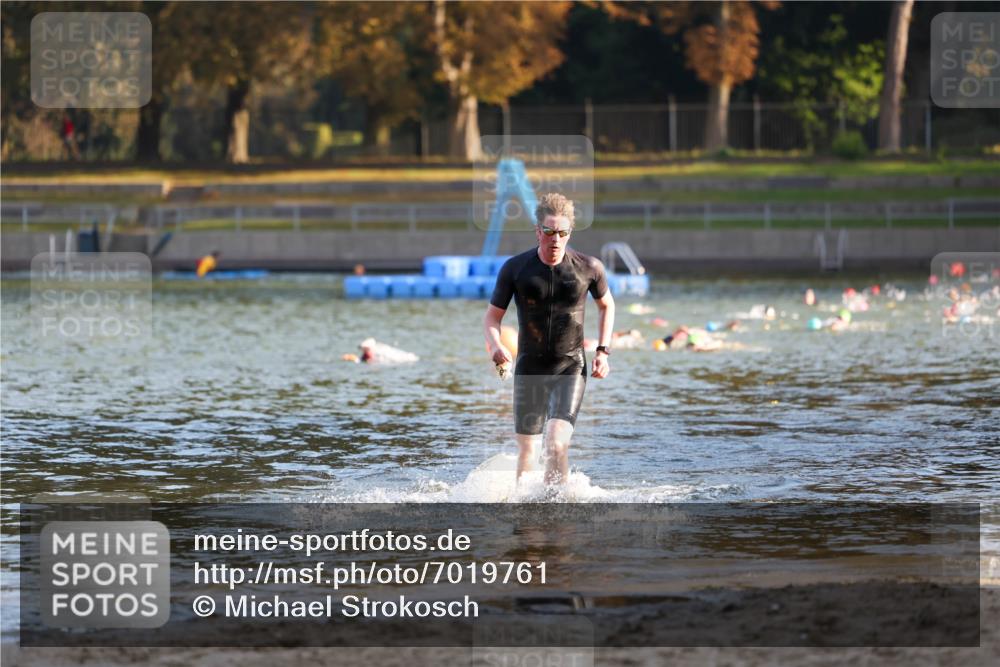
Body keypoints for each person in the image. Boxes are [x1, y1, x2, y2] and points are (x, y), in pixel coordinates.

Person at [483, 193, 615, 486]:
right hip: (530, 368)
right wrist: (495, 346)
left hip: (570, 367)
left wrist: (603, 351)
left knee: (556, 443)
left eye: (562, 233)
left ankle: (557, 507)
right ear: (537, 231)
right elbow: (492, 318)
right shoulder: (516, 269)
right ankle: (525, 514)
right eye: (549, 232)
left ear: (569, 233)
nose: (555, 239)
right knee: (528, 451)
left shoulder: (588, 267)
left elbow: (607, 305)